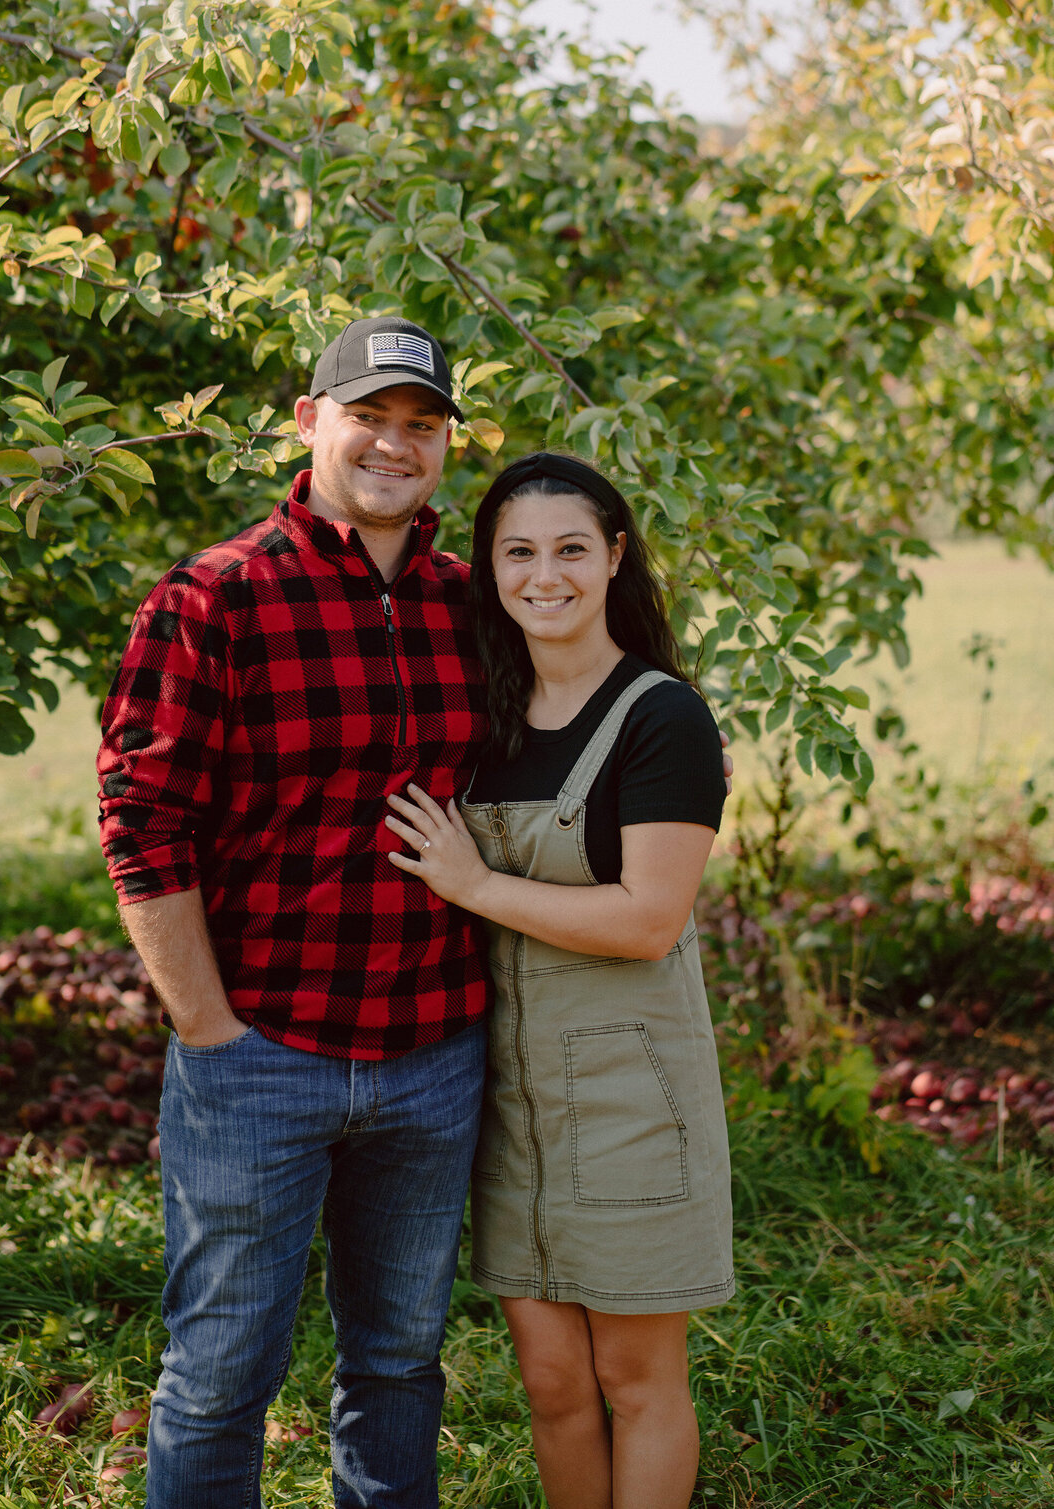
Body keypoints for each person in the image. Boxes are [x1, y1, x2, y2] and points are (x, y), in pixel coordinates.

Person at [96, 315, 492, 1509]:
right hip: (260, 1051)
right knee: (220, 1375)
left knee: (400, 1363)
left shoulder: (477, 608)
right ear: (311, 423)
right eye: (369, 416)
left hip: (435, 1051)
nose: (395, 444)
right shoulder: (211, 599)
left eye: (422, 426)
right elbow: (142, 822)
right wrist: (209, 1028)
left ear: (444, 451)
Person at [384, 451, 733, 1509]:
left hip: (629, 1091)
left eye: (572, 549)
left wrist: (471, 882)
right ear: (488, 567)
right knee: (549, 1383)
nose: (547, 575)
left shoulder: (662, 718)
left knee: (635, 1377)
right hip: (509, 1097)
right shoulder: (486, 715)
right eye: (519, 551)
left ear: (615, 557)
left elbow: (646, 920)